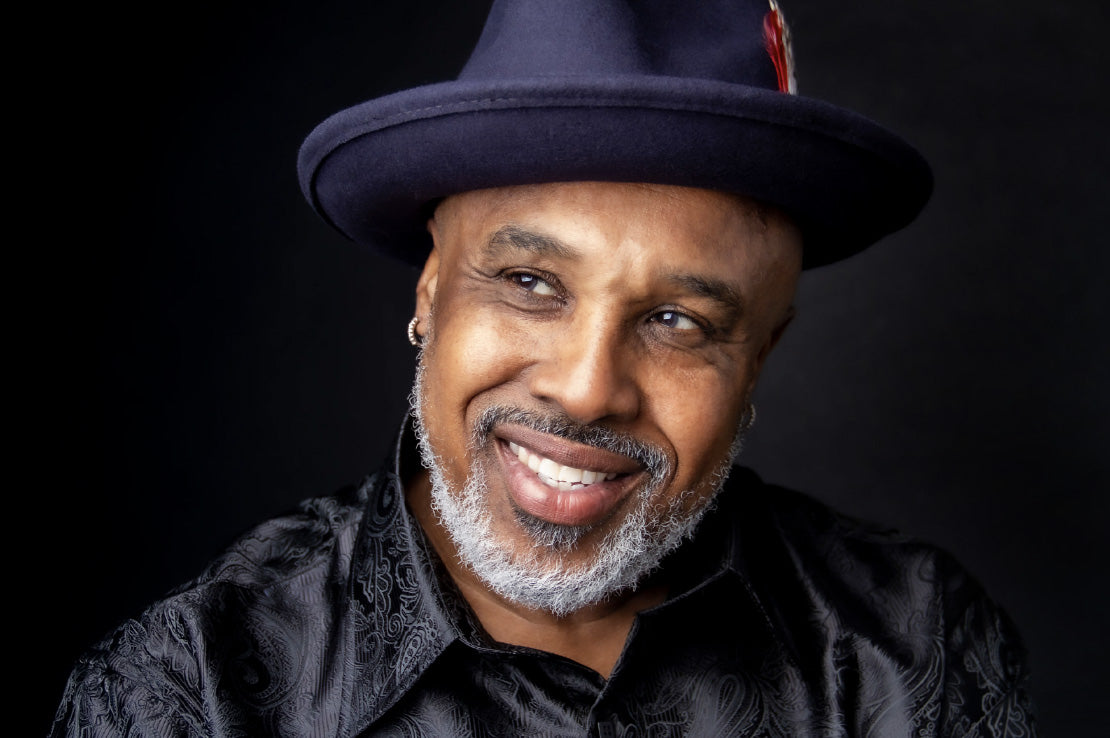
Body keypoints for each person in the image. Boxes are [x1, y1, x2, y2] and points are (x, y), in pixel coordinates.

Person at [51, 1, 1037, 735]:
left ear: (759, 355)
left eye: (677, 319)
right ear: (431, 291)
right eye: (528, 280)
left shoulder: (912, 648)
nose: (584, 384)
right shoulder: (190, 690)